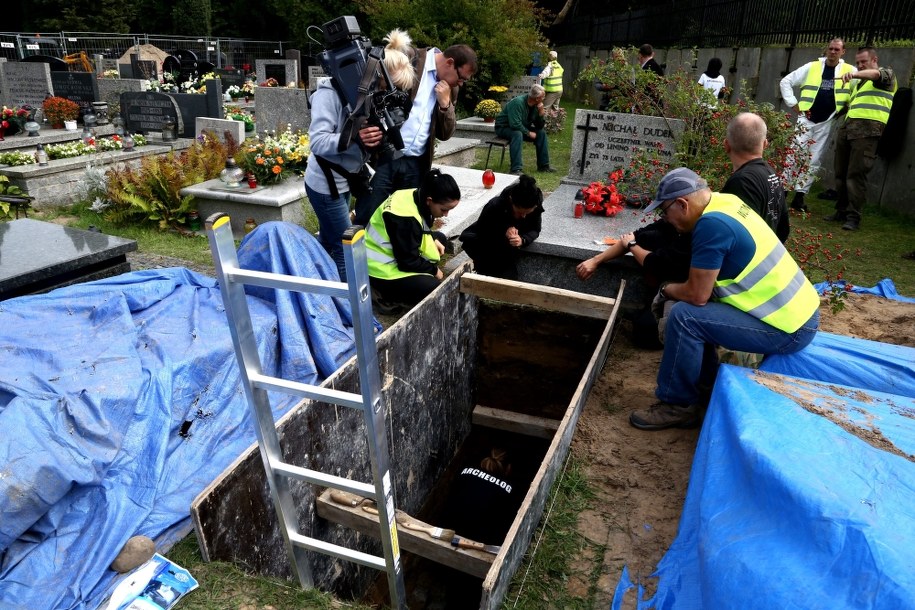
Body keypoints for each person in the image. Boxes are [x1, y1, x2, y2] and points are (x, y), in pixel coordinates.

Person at [629, 167, 820, 431]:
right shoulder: (726, 202)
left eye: (665, 212)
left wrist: (666, 291)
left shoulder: (711, 226)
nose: (666, 219)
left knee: (684, 317)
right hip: (797, 313)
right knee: (700, 314)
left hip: (789, 328)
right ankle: (705, 389)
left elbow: (697, 295)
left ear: (682, 204)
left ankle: (678, 405)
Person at [305, 29, 417, 280]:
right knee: (347, 247)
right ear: (376, 78)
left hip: (346, 179)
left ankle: (319, 283)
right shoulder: (330, 94)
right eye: (389, 88)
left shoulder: (369, 100)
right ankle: (350, 308)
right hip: (326, 185)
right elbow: (318, 142)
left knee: (330, 239)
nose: (390, 97)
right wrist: (356, 138)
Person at [353, 43, 477, 226]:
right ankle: (355, 252)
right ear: (450, 63)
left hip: (416, 163)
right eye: (461, 78)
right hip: (385, 157)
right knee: (368, 213)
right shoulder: (410, 58)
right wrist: (361, 128)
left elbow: (445, 134)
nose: (460, 83)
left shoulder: (451, 88)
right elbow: (369, 96)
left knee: (404, 219)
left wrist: (445, 105)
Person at [365, 168, 461, 308]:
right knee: (432, 287)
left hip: (396, 251)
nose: (446, 214)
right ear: (430, 200)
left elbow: (419, 229)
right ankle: (386, 296)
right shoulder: (404, 218)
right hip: (381, 270)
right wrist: (433, 271)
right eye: (444, 209)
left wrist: (432, 238)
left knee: (440, 238)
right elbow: (407, 262)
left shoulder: (416, 194)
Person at [779, 38, 855, 212]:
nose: (833, 52)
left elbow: (859, 90)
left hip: (827, 121)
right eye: (830, 49)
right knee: (794, 154)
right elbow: (786, 82)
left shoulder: (850, 71)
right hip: (806, 118)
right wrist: (794, 104)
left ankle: (800, 197)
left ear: (843, 52)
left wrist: (844, 110)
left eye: (837, 49)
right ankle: (782, 193)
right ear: (826, 50)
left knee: (814, 159)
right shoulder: (812, 67)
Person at [826, 46, 897, 231]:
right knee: (840, 173)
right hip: (848, 130)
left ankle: (853, 217)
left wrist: (855, 74)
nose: (859, 66)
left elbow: (876, 75)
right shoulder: (858, 85)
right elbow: (849, 106)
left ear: (874, 60)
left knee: (856, 175)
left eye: (863, 62)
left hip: (867, 133)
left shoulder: (886, 75)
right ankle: (841, 211)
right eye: (857, 63)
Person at [459, 175, 544, 280]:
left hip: (510, 245)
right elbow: (483, 232)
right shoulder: (495, 205)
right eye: (520, 212)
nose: (524, 216)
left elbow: (535, 229)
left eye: (527, 213)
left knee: (509, 277)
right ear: (511, 200)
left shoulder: (535, 204)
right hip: (489, 242)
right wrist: (504, 230)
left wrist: (522, 240)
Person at [721, 112, 789, 242]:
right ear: (765, 144)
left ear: (726, 145)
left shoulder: (741, 182)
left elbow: (732, 236)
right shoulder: (772, 174)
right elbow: (783, 228)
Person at [444, 448, 518, 545]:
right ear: (508, 468)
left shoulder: (465, 470)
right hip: (479, 540)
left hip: (449, 529)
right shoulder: (509, 490)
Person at [494, 84, 554, 176]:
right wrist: (528, 133)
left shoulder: (536, 105)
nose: (544, 98)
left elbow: (539, 126)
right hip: (503, 127)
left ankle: (543, 166)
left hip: (520, 126)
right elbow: (514, 124)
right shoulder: (518, 103)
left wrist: (541, 114)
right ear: (537, 98)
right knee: (517, 134)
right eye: (543, 96)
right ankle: (515, 169)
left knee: (541, 133)